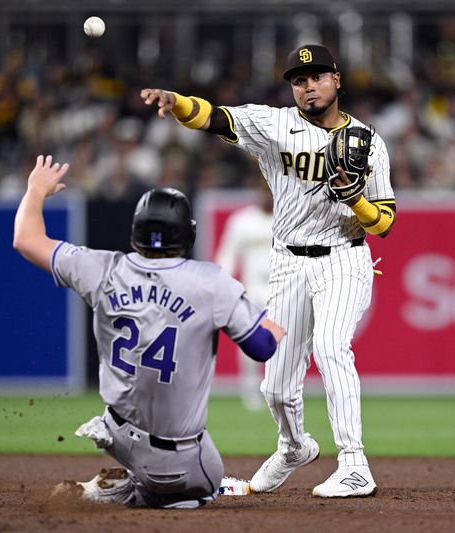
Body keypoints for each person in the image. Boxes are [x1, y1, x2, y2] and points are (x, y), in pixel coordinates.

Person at [140, 43, 396, 498]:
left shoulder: (367, 141)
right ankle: (295, 445)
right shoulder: (274, 124)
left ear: (337, 80)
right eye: (299, 81)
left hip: (343, 257)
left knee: (332, 346)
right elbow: (213, 117)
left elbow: (386, 223)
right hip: (288, 263)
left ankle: (355, 464)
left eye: (317, 77)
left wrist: (354, 197)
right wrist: (175, 101)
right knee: (275, 386)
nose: (308, 86)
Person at [13, 155, 286, 508]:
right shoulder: (210, 283)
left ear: (136, 232)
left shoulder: (102, 269)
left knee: (137, 443)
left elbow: (25, 239)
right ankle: (141, 492)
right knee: (206, 486)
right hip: (181, 460)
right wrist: (275, 329)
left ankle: (130, 479)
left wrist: (35, 189)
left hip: (116, 435)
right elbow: (262, 346)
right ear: (188, 233)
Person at [215, 184, 274, 411]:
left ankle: (278, 389)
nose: (267, 196)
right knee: (251, 341)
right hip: (252, 292)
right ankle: (251, 391)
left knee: (283, 344)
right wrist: (226, 283)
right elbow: (228, 254)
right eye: (264, 191)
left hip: (281, 291)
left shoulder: (288, 217)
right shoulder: (243, 221)